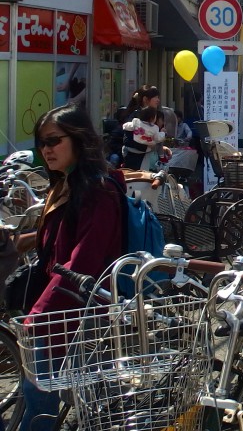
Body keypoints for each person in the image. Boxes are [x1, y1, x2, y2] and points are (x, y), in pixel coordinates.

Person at [20, 105, 124, 427]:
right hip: (65, 313)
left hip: (72, 314)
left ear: (79, 139)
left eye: (53, 141)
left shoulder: (98, 189)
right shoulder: (67, 183)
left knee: (41, 406)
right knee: (84, 403)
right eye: (41, 143)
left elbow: (82, 263)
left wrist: (38, 316)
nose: (45, 150)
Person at [121, 106, 165, 170]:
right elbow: (158, 138)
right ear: (152, 118)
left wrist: (125, 127)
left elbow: (126, 126)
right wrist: (163, 133)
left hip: (130, 149)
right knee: (143, 168)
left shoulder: (136, 122)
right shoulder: (154, 128)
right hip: (145, 150)